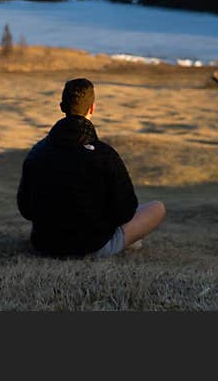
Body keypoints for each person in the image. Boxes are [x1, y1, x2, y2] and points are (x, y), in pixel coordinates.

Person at [17, 77, 165, 257]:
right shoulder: (105, 155)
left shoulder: (37, 152)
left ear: (62, 107)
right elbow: (126, 211)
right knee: (157, 208)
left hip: (44, 244)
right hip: (92, 246)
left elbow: (25, 208)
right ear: (92, 108)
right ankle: (123, 242)